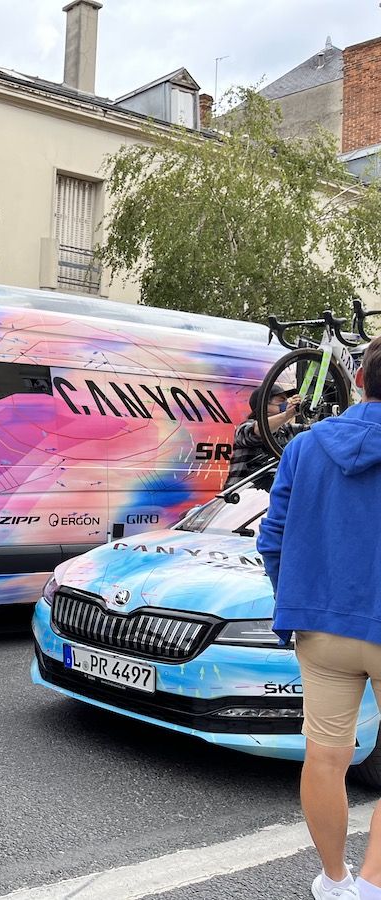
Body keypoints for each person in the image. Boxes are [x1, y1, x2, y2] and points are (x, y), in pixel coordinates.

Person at [257, 336, 381, 900]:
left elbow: (273, 536)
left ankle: (335, 882)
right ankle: (373, 883)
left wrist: (297, 600)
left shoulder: (306, 447)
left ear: (359, 382)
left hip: (321, 627)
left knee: (325, 758)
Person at [223, 383, 303, 490]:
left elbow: (315, 430)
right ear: (264, 405)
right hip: (241, 498)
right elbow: (259, 430)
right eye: (281, 400)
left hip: (266, 499)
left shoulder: (286, 430)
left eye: (286, 400)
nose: (286, 403)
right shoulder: (244, 428)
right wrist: (287, 415)